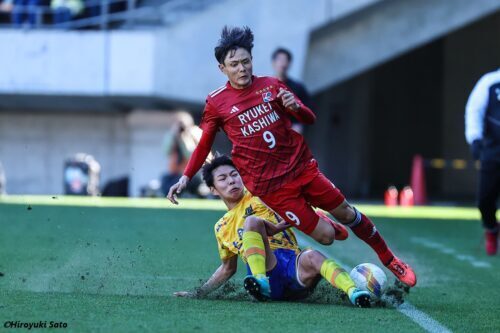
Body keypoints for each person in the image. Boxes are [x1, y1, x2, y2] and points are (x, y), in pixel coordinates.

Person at [167, 26, 416, 288]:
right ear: (223, 69)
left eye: (245, 61)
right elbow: (204, 143)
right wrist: (185, 178)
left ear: (252, 60)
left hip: (301, 168)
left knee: (347, 213)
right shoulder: (217, 102)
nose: (241, 69)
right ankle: (323, 221)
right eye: (234, 64)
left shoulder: (272, 86)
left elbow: (309, 118)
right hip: (273, 189)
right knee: (327, 237)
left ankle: (390, 260)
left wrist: (296, 107)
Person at [173, 155, 371, 307]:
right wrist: (198, 293)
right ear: (214, 189)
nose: (232, 181)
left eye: (234, 175)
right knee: (252, 222)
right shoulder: (221, 227)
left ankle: (354, 292)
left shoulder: (262, 194)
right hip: (267, 268)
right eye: (223, 178)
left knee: (313, 256)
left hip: (293, 266)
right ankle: (260, 282)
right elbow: (228, 268)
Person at [465, 68, 500, 255]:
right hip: (493, 150)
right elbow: (474, 110)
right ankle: (492, 229)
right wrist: (474, 138)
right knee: (485, 200)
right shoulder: (490, 81)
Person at [271, 47, 312, 134]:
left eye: (285, 60)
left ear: (289, 64)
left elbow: (307, 110)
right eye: (280, 60)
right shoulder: (266, 86)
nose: (282, 64)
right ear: (273, 63)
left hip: (291, 132)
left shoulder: (298, 87)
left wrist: (299, 125)